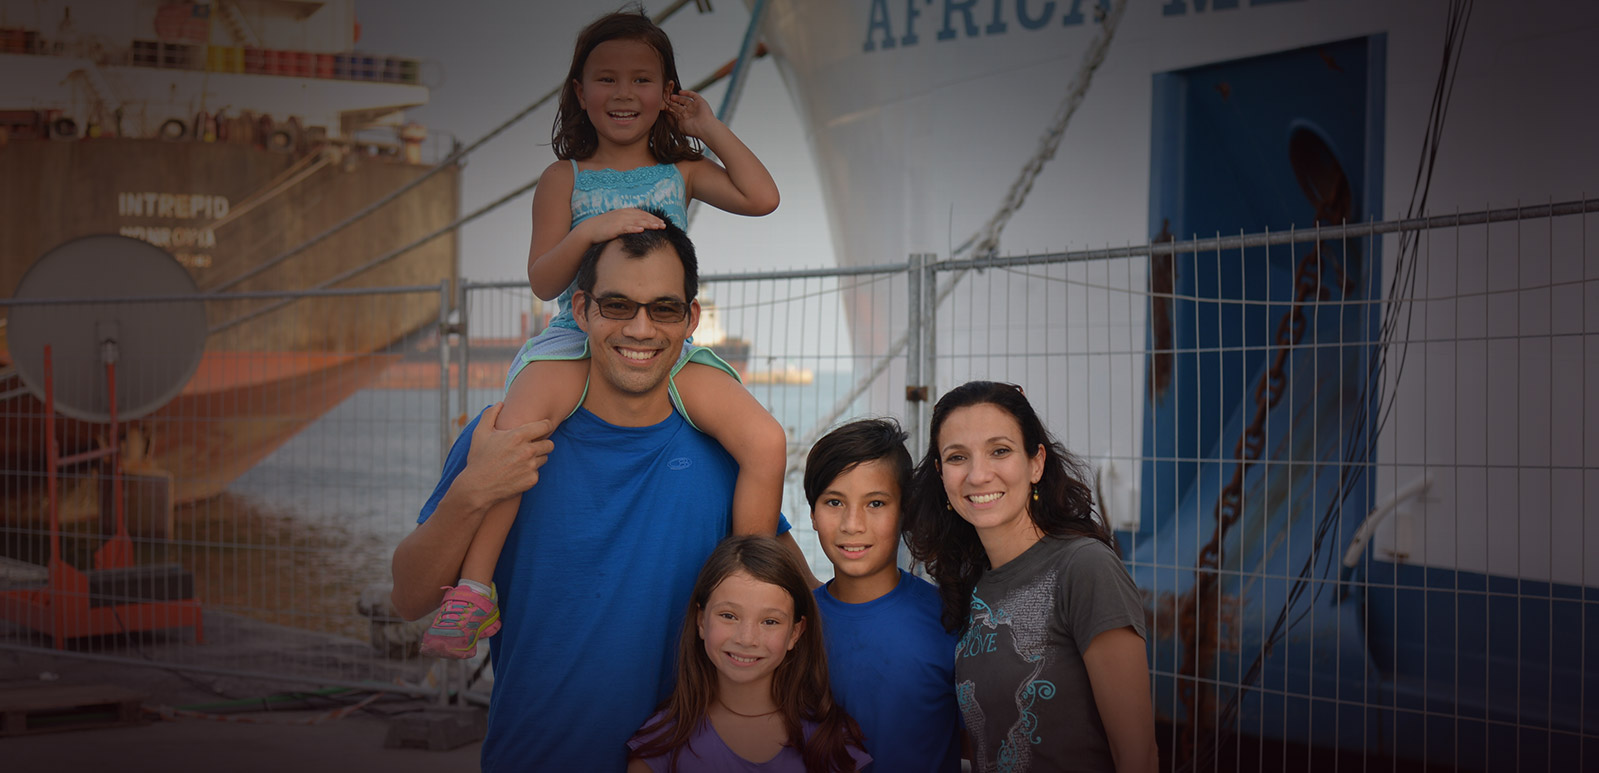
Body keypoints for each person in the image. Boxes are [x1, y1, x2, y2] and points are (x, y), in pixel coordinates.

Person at [419, 8, 786, 657]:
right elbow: (541, 277)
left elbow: (763, 199)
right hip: (577, 331)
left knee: (764, 437)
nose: (623, 93)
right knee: (520, 429)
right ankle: (475, 589)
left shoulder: (684, 170)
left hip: (662, 340)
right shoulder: (564, 177)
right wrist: (588, 230)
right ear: (579, 92)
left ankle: (747, 587)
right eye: (606, 78)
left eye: (643, 79)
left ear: (667, 90)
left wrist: (706, 126)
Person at [391, 221, 807, 771]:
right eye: (617, 306)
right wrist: (473, 490)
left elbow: (798, 603)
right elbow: (410, 597)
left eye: (663, 309)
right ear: (581, 310)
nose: (640, 329)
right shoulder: (505, 440)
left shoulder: (724, 455)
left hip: (686, 758)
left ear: (690, 321)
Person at [902, 381, 1159, 773]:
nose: (978, 474)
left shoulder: (1085, 568)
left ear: (1036, 462)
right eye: (957, 457)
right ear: (940, 474)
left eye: (999, 451)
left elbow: (1138, 755)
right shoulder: (971, 585)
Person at [627, 535, 871, 772]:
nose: (746, 639)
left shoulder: (830, 742)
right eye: (729, 616)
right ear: (701, 621)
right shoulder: (661, 744)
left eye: (770, 621)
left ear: (795, 633)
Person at [802, 418, 961, 772]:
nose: (852, 524)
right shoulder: (793, 626)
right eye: (833, 502)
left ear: (905, 513)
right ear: (812, 513)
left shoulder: (948, 621)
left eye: (875, 504)